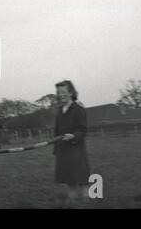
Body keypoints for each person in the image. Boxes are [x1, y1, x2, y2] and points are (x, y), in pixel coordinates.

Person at [53, 80, 90, 208]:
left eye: (63, 92)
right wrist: (56, 149)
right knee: (66, 182)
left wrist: (74, 136)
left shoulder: (78, 109)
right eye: (58, 92)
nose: (60, 94)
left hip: (75, 151)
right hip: (62, 152)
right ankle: (68, 202)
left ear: (71, 92)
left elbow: (83, 129)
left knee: (76, 182)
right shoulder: (59, 111)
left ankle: (78, 201)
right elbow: (57, 131)